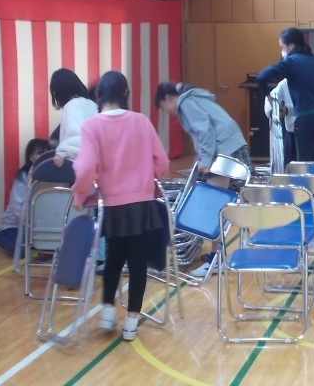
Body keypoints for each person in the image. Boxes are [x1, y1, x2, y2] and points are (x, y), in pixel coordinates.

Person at [72, 71, 169, 341]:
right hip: (141, 204)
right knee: (138, 263)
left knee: (113, 257)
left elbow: (84, 168)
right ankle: (131, 323)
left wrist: (80, 196)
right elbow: (161, 161)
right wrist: (147, 180)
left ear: (98, 96)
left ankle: (107, 310)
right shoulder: (141, 121)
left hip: (112, 205)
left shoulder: (91, 126)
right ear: (126, 94)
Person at [154, 81, 251, 277]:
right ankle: (216, 256)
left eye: (164, 107)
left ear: (168, 98)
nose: (167, 112)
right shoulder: (194, 98)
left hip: (223, 150)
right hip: (230, 146)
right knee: (217, 204)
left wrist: (205, 160)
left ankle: (216, 260)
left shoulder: (185, 103)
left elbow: (205, 130)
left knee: (212, 205)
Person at [256, 27, 314, 161]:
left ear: (291, 45)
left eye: (282, 47)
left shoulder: (291, 62)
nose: (282, 50)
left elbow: (262, 77)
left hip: (307, 120)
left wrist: (268, 96)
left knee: (304, 165)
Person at [0, 139, 51, 254]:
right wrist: (30, 225)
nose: (44, 157)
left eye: (46, 153)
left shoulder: (51, 176)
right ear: (31, 157)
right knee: (21, 251)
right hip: (16, 224)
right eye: (40, 153)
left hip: (38, 225)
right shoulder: (23, 176)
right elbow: (17, 208)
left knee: (45, 247)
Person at [49, 68, 98, 167]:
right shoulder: (93, 104)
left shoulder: (72, 106)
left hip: (83, 166)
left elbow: (77, 136)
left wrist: (62, 153)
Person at [263, 78, 297, 166]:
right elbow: (271, 98)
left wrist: (288, 109)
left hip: (309, 129)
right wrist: (275, 110)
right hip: (291, 131)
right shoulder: (285, 82)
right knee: (288, 164)